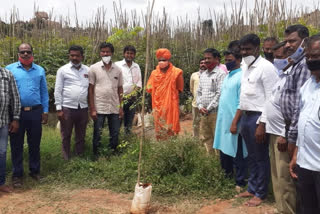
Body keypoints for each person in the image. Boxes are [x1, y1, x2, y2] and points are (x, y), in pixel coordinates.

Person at [237, 34, 278, 206]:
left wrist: (262, 123)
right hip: (246, 116)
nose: (245, 52)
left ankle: (261, 193)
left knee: (261, 157)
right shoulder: (244, 66)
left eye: (248, 49)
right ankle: (252, 188)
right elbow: (244, 95)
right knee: (251, 156)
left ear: (257, 48)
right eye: (243, 49)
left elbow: (271, 97)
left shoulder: (266, 68)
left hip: (258, 118)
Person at [6, 43, 49, 187]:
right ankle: (17, 174)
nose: (25, 54)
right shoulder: (10, 70)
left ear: (32, 53)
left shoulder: (40, 70)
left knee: (34, 143)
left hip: (36, 112)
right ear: (18, 53)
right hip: (16, 113)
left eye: (28, 51)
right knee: (16, 144)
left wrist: (45, 110)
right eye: (22, 52)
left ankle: (35, 171)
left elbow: (44, 92)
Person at [263, 42, 296, 214]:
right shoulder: (281, 76)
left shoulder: (293, 78)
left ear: (290, 57)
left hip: (282, 135)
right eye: (275, 57)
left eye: (281, 57)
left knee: (285, 178)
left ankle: (288, 210)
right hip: (273, 132)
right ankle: (280, 208)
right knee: (276, 175)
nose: (277, 60)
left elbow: (292, 109)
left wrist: (284, 134)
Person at [280, 25, 310, 213]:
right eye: (287, 42)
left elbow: (300, 106)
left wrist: (292, 137)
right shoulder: (294, 64)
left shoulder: (305, 65)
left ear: (304, 42)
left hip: (298, 131)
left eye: (293, 41)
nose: (289, 45)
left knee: (300, 178)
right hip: (291, 128)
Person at [289, 34, 320, 214]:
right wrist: (296, 155)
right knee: (308, 208)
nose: (310, 60)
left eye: (315, 56)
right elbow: (304, 123)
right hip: (305, 164)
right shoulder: (307, 86)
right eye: (308, 57)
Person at [213, 41, 247, 191]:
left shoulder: (241, 77)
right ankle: (226, 177)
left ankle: (240, 181)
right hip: (223, 121)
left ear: (238, 60)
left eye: (230, 60)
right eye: (225, 61)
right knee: (224, 149)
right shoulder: (228, 76)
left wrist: (235, 122)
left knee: (237, 151)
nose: (227, 63)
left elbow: (241, 102)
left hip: (235, 122)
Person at [54, 45, 89, 160]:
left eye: (77, 55)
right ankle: (66, 157)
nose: (74, 58)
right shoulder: (63, 70)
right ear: (69, 56)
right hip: (67, 107)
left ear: (82, 56)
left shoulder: (88, 70)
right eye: (72, 55)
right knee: (66, 134)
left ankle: (79, 156)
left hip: (83, 108)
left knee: (81, 134)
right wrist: (59, 109)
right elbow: (58, 90)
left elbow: (90, 89)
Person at [88, 42, 123, 156]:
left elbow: (120, 89)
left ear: (112, 53)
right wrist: (92, 108)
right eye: (103, 51)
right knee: (97, 132)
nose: (105, 53)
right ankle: (96, 154)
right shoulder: (93, 68)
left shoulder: (118, 69)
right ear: (100, 53)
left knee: (115, 132)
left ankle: (113, 153)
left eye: (108, 52)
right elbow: (91, 89)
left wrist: (121, 107)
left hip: (114, 106)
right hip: (99, 106)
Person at [146, 48, 184, 140]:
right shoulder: (154, 73)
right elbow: (149, 87)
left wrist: (169, 96)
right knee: (159, 128)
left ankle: (171, 147)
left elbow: (179, 88)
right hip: (157, 105)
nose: (162, 62)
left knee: (171, 128)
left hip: (171, 105)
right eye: (160, 60)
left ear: (168, 60)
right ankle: (161, 148)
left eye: (164, 60)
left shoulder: (176, 72)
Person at [197, 48, 226, 154]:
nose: (206, 61)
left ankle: (219, 165)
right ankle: (210, 163)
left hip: (215, 113)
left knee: (217, 138)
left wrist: (208, 108)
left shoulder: (221, 74)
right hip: (204, 113)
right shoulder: (203, 74)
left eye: (209, 58)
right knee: (206, 138)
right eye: (205, 58)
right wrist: (200, 106)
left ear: (216, 59)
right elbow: (198, 92)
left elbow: (220, 94)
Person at [0, 66, 21, 193]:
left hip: (3, 121)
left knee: (2, 153)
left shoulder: (7, 74)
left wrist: (16, 118)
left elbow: (15, 98)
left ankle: (1, 183)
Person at [115, 45, 142, 135]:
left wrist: (134, 94)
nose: (129, 55)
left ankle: (127, 139)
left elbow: (139, 82)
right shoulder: (117, 65)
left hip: (132, 98)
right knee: (117, 121)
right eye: (127, 53)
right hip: (119, 99)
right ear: (124, 54)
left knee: (129, 122)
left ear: (134, 55)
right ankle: (116, 140)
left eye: (131, 53)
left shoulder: (136, 66)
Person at [190, 58, 206, 138]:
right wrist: (196, 97)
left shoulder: (210, 74)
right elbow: (192, 88)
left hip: (207, 105)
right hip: (196, 104)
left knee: (205, 122)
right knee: (195, 121)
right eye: (201, 63)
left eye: (204, 63)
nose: (203, 64)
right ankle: (196, 139)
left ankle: (205, 139)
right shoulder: (194, 75)